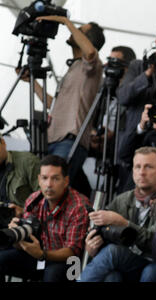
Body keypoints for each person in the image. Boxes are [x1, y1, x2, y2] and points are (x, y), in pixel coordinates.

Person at [18, 16, 105, 185]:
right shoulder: (74, 67)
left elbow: (91, 52)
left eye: (80, 31)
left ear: (86, 40)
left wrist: (66, 22)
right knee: (46, 189)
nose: (74, 31)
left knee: (53, 189)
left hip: (70, 139)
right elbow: (52, 105)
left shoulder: (93, 66)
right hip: (53, 139)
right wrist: (32, 82)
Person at [79, 147, 156, 282]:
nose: (141, 172)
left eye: (148, 167)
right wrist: (92, 246)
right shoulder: (122, 199)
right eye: (137, 167)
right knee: (112, 277)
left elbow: (155, 244)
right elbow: (103, 234)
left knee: (149, 270)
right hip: (129, 264)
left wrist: (124, 223)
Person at [0, 155, 90, 282]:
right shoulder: (33, 200)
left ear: (66, 181)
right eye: (44, 178)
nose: (48, 184)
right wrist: (15, 237)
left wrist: (42, 254)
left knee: (53, 274)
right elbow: (28, 239)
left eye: (55, 179)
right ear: (39, 180)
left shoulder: (79, 206)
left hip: (69, 262)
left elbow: (73, 251)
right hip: (40, 255)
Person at [0, 133, 40, 224]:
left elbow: (47, 201)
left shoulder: (28, 162)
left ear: (3, 143)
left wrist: (23, 211)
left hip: (25, 224)